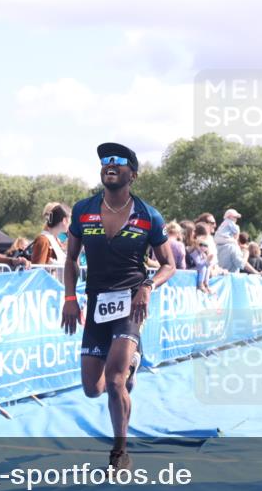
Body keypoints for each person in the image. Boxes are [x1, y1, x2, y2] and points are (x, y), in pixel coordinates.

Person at [61, 142, 176, 470]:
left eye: (119, 162)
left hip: (130, 304)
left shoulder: (148, 215)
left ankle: (119, 451)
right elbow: (69, 259)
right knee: (92, 389)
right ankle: (129, 370)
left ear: (132, 174)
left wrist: (147, 286)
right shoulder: (84, 209)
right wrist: (70, 298)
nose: (110, 164)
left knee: (114, 381)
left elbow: (169, 264)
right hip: (96, 303)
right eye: (105, 161)